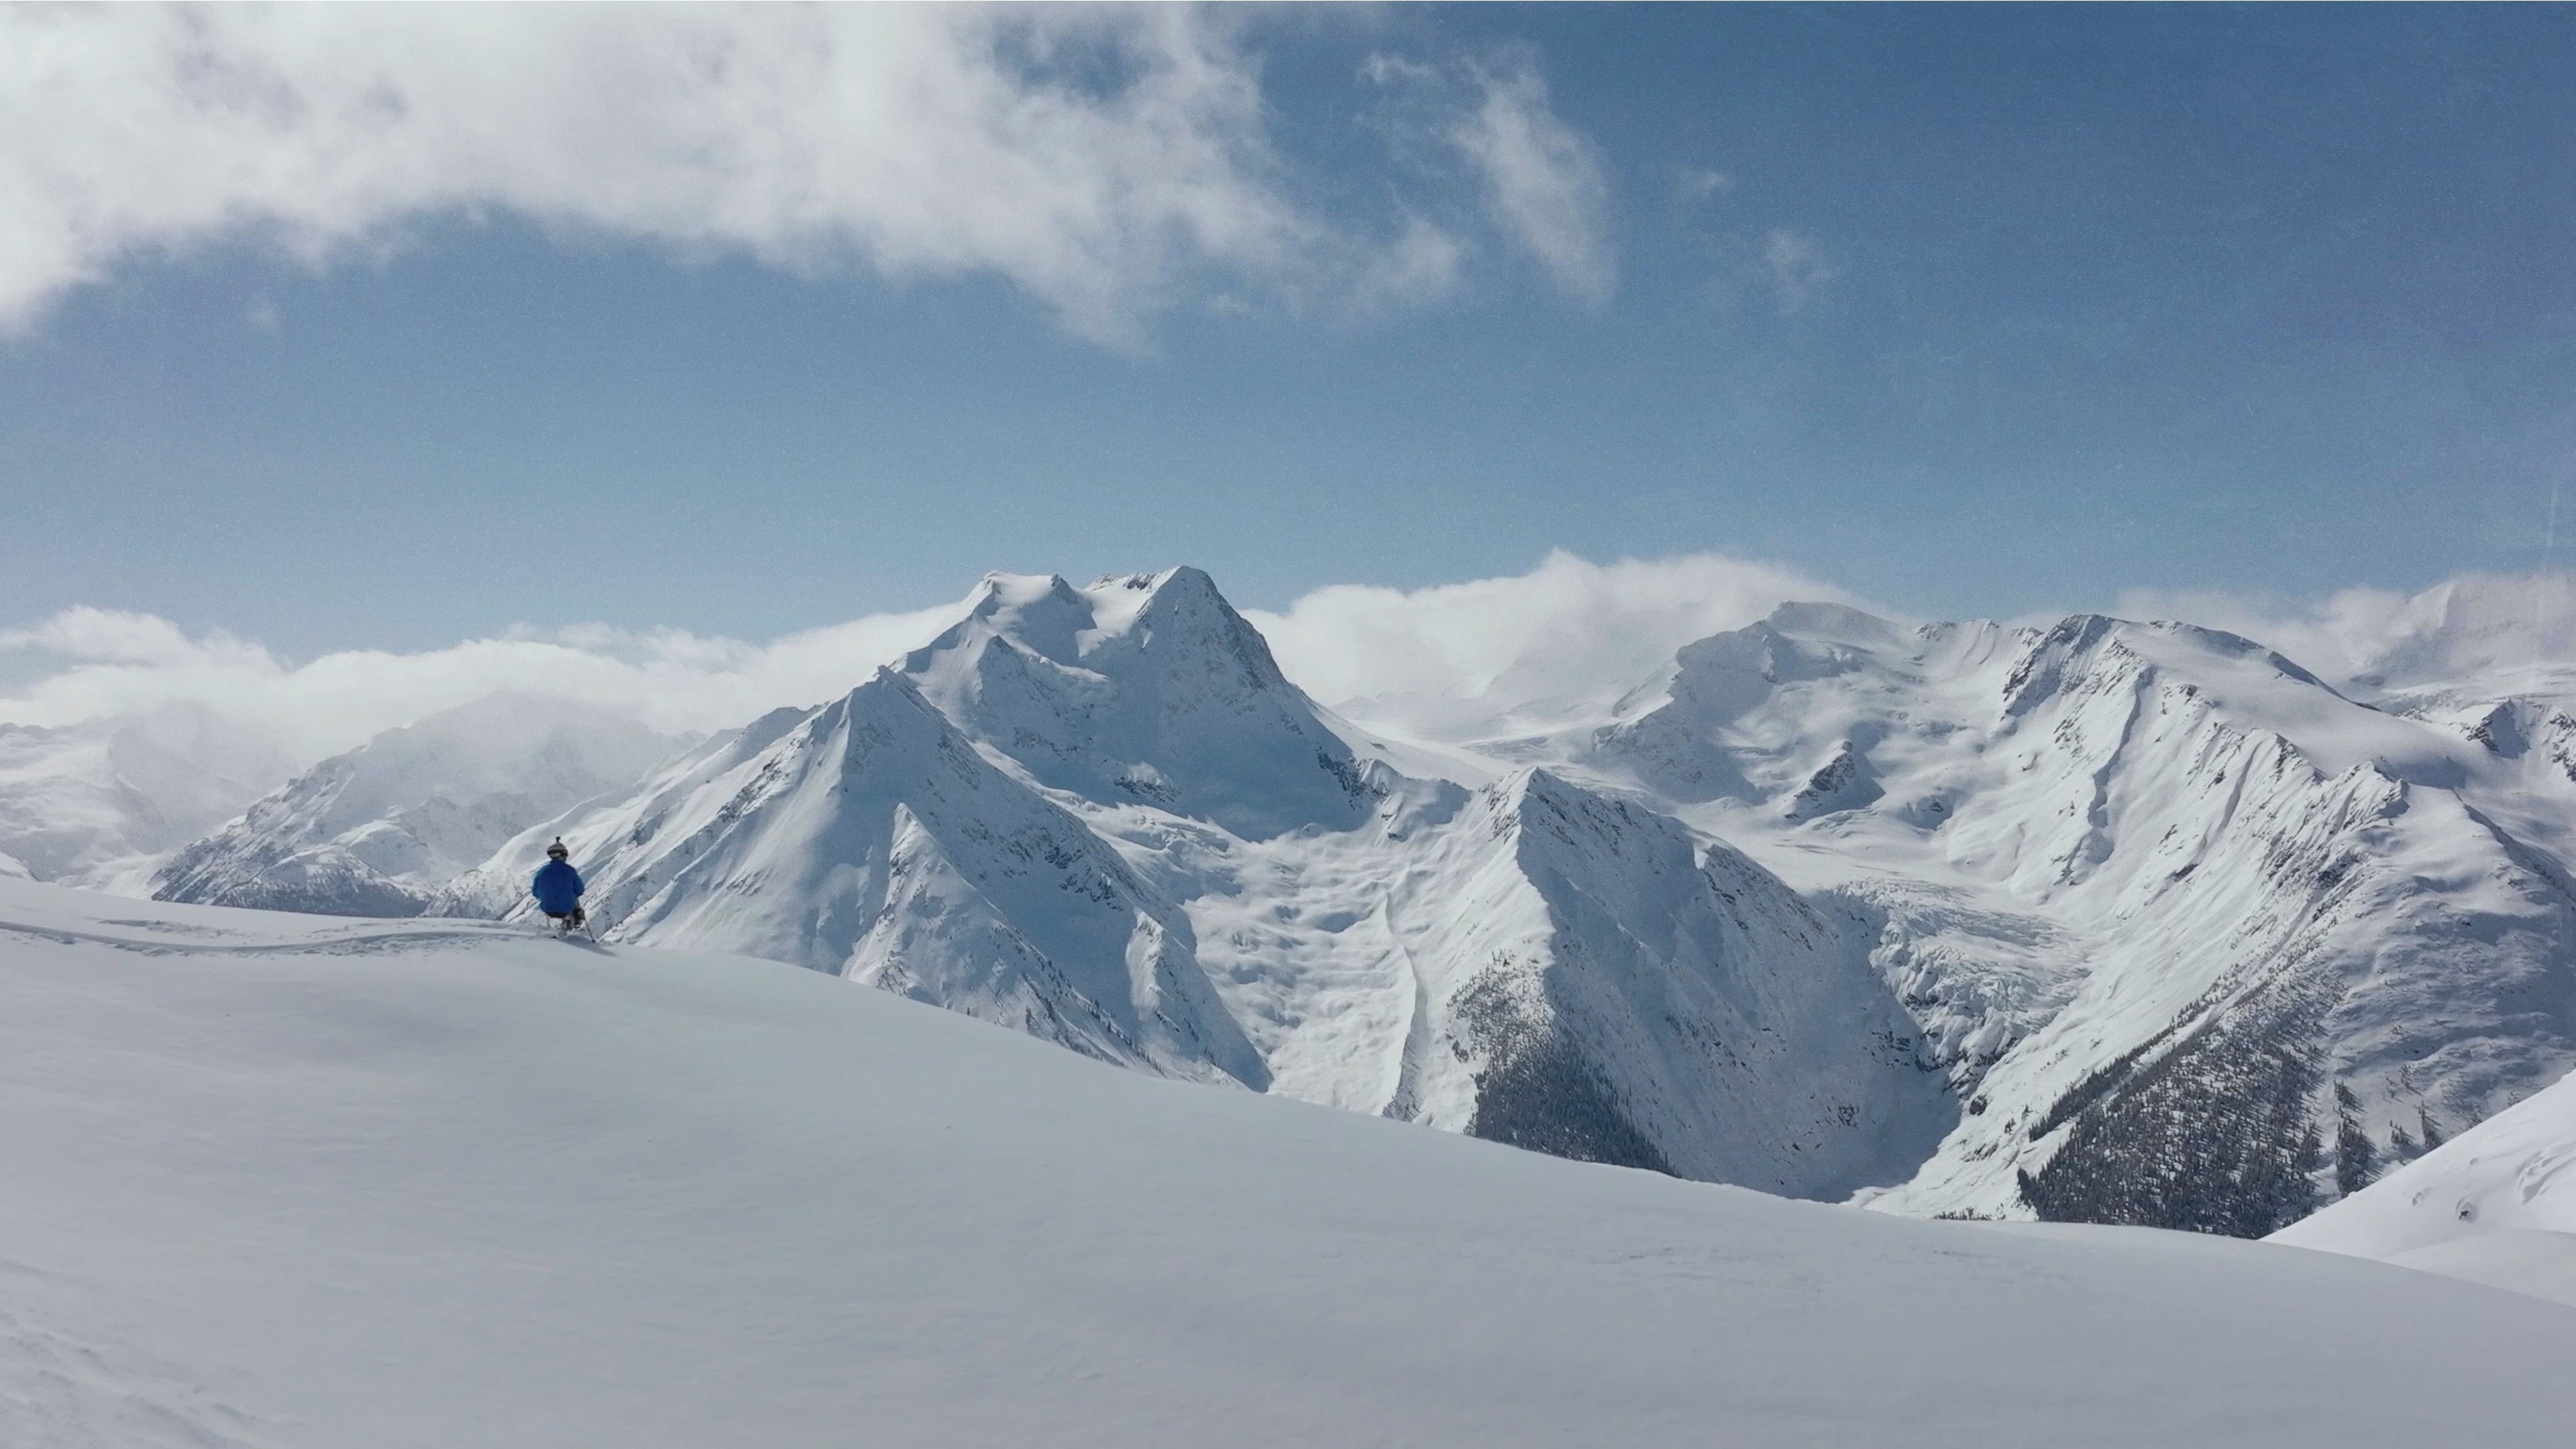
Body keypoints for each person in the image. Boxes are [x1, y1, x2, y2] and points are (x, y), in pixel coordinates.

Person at [532, 838, 586, 930]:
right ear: (564, 855)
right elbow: (579, 890)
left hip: (547, 908)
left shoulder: (542, 872)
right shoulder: (570, 871)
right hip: (567, 908)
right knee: (576, 907)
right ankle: (572, 927)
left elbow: (535, 892)